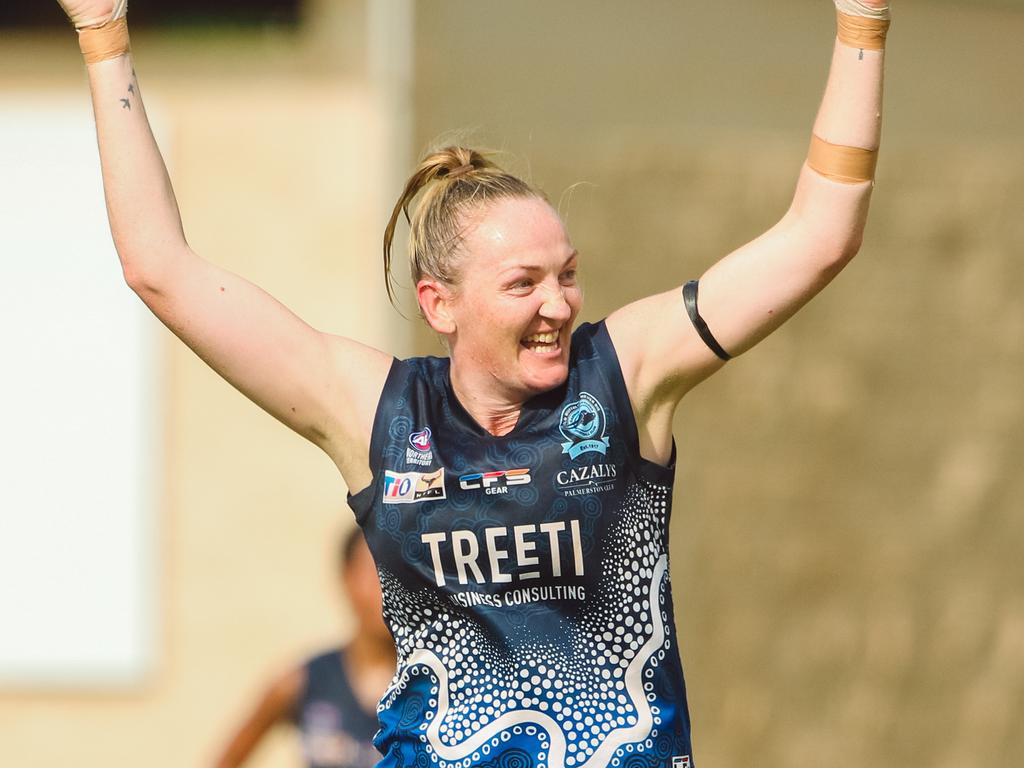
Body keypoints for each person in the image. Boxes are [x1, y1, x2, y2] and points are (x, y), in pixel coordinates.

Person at [56, 0, 891, 765]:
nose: (558, 304)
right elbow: (160, 268)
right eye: (523, 283)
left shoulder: (625, 373)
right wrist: (104, 37)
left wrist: (863, 23)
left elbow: (820, 234)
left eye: (567, 275)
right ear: (440, 304)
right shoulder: (376, 412)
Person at [212, 529, 395, 768]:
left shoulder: (435, 683)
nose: (388, 590)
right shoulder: (302, 682)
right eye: (374, 574)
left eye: (399, 576)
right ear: (347, 577)